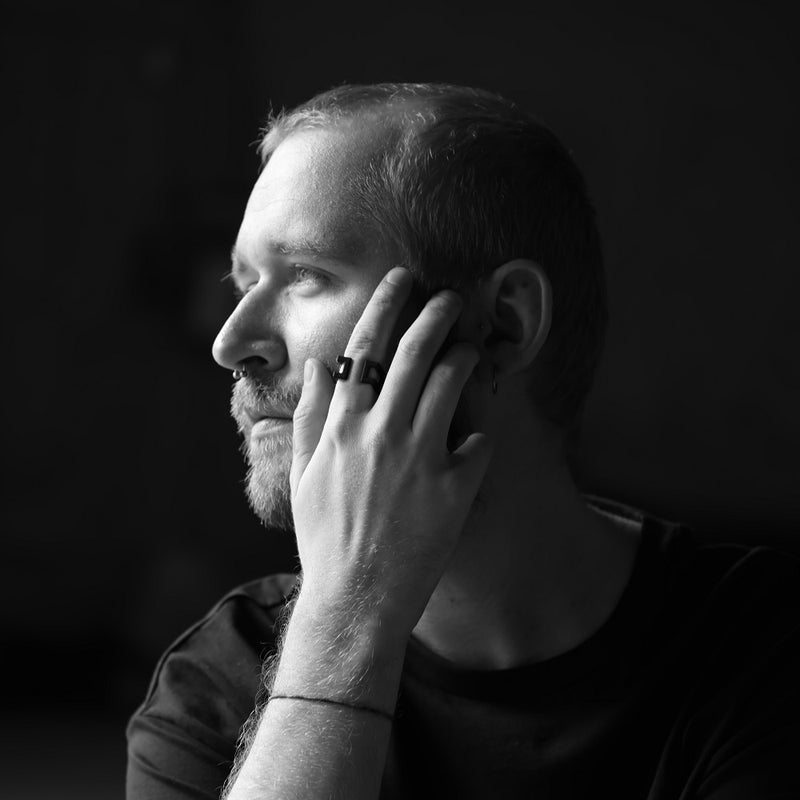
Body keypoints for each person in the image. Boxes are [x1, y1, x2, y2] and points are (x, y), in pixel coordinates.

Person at [126, 83, 800, 799]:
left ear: (503, 324)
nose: (232, 344)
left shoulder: (766, 653)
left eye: (306, 277)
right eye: (244, 284)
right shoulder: (219, 683)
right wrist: (349, 614)